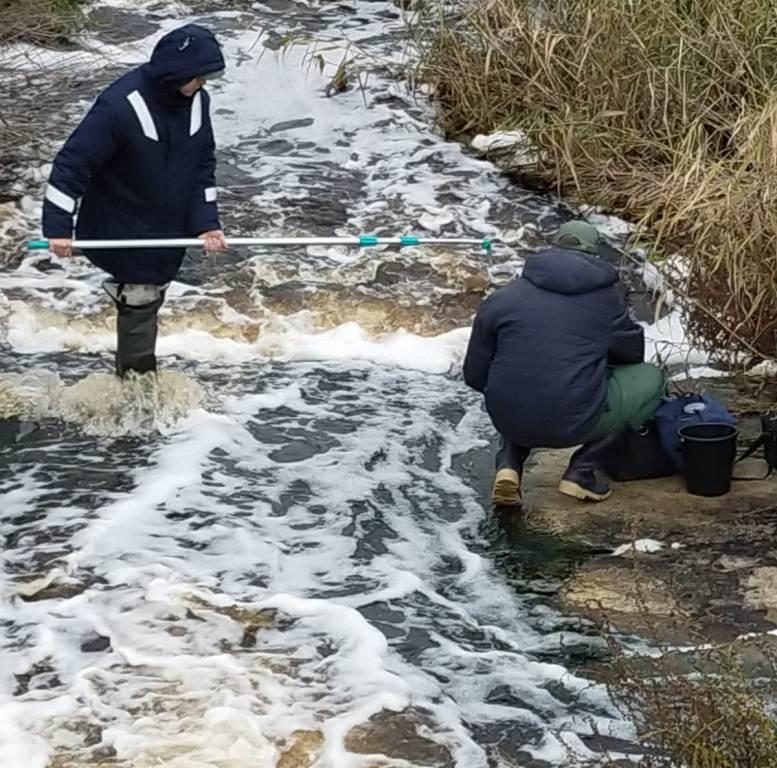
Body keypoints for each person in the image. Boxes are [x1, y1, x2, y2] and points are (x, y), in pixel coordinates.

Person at [41, 23, 228, 377]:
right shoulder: (119, 105)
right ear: (176, 73)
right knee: (140, 296)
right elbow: (71, 165)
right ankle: (137, 389)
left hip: (167, 226)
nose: (202, 84)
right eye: (198, 77)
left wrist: (206, 223)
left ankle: (135, 380)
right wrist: (58, 227)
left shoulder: (198, 102)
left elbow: (202, 166)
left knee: (153, 289)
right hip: (121, 222)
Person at [463, 221, 666, 506]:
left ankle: (509, 464)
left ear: (552, 248)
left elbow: (474, 375)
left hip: (508, 417)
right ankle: (581, 471)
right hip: (572, 423)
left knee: (521, 380)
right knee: (651, 380)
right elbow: (632, 357)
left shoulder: (501, 299)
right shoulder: (606, 300)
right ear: (594, 255)